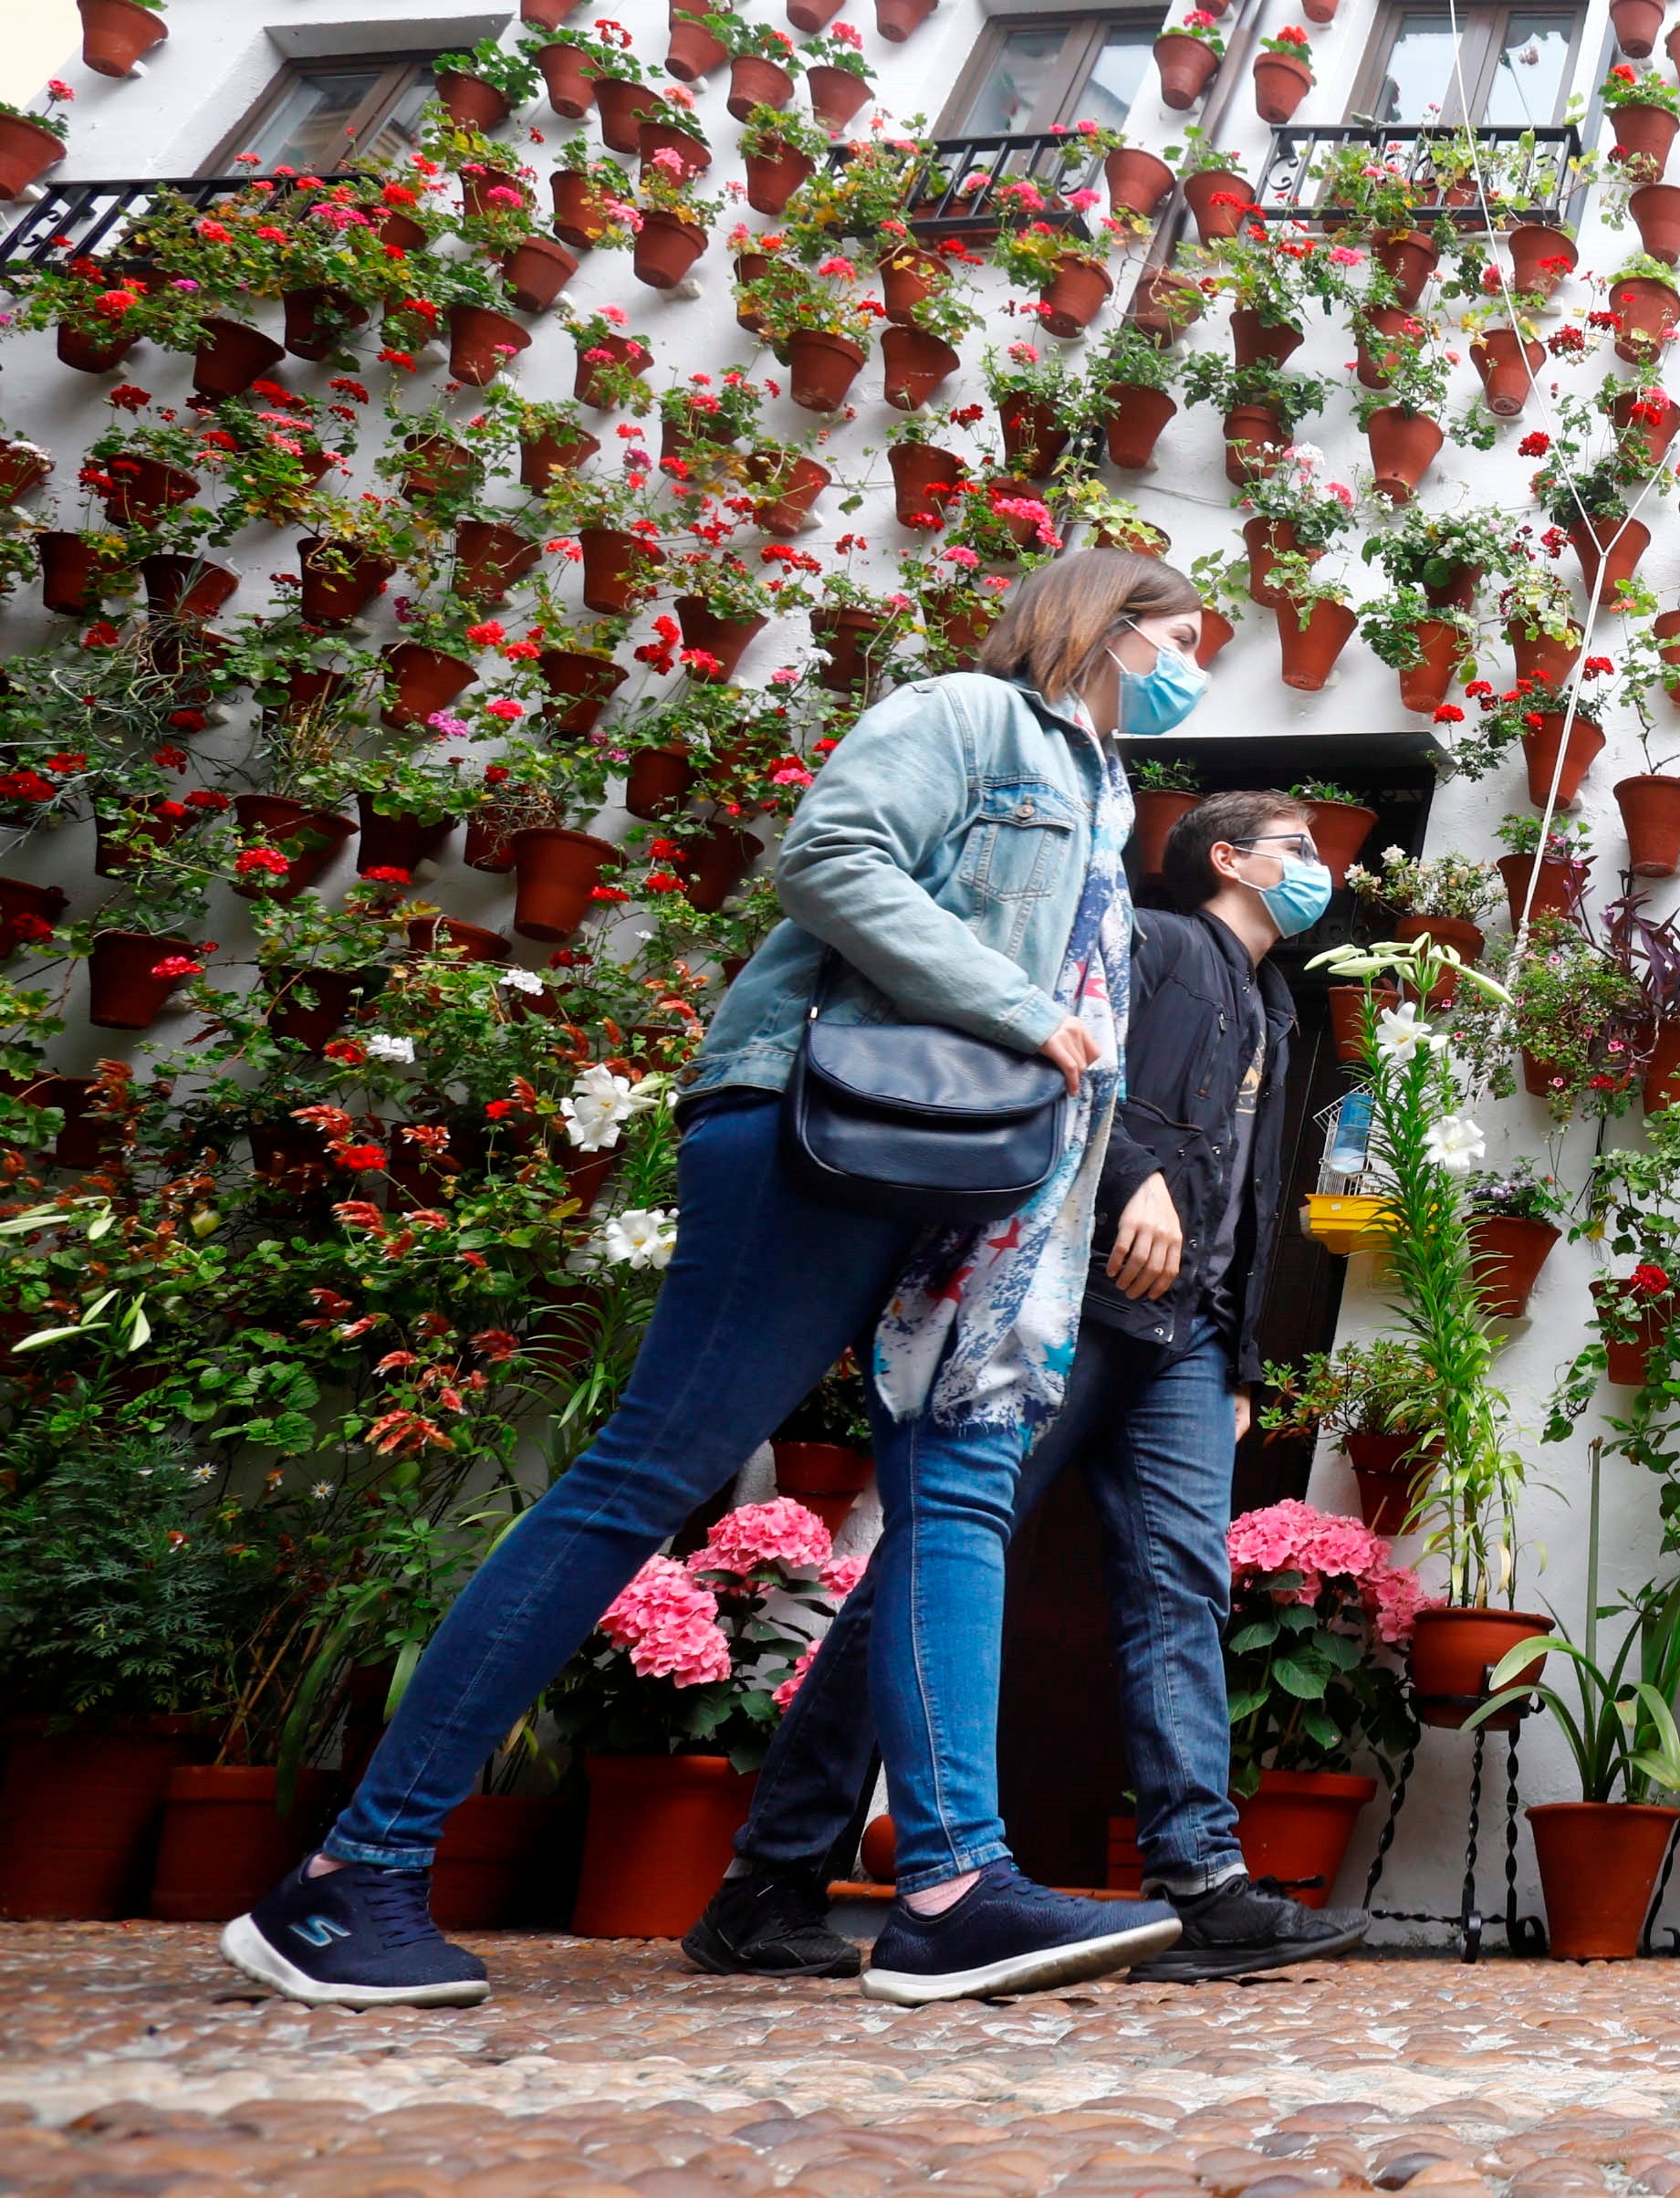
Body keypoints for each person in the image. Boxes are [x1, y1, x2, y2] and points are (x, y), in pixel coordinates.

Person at [225, 551, 1209, 2010]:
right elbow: (830, 860)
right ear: (1102, 624)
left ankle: (949, 1889)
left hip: (982, 1183)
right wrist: (1014, 1010)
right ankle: (346, 1876)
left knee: (960, 1496)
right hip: (818, 1127)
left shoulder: (1108, 796)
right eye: (1179, 641)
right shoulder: (962, 715)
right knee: (649, 1469)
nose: (1189, 674)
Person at [683, 786, 1353, 1984]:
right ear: (1230, 857)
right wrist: (1135, 1174)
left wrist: (1239, 1354)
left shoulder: (1274, 1004)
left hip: (1185, 1337)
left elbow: (1252, 1196)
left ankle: (1202, 1887)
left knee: (1180, 1588)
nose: (1322, 871)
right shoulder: (1157, 942)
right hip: (1079, 1297)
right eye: (1303, 850)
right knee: (933, 1566)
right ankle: (773, 1878)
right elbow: (1080, 1053)